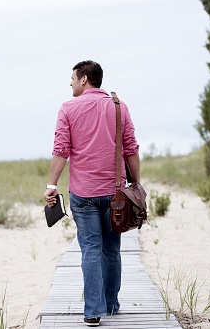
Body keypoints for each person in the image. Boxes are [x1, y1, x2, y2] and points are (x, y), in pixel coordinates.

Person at [43, 60, 141, 327]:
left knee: (90, 250)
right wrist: (137, 184)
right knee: (111, 250)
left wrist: (51, 186)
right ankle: (110, 305)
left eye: (73, 78)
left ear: (84, 79)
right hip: (115, 192)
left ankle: (92, 312)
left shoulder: (68, 108)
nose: (71, 83)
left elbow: (61, 149)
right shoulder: (119, 107)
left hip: (83, 194)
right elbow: (131, 148)